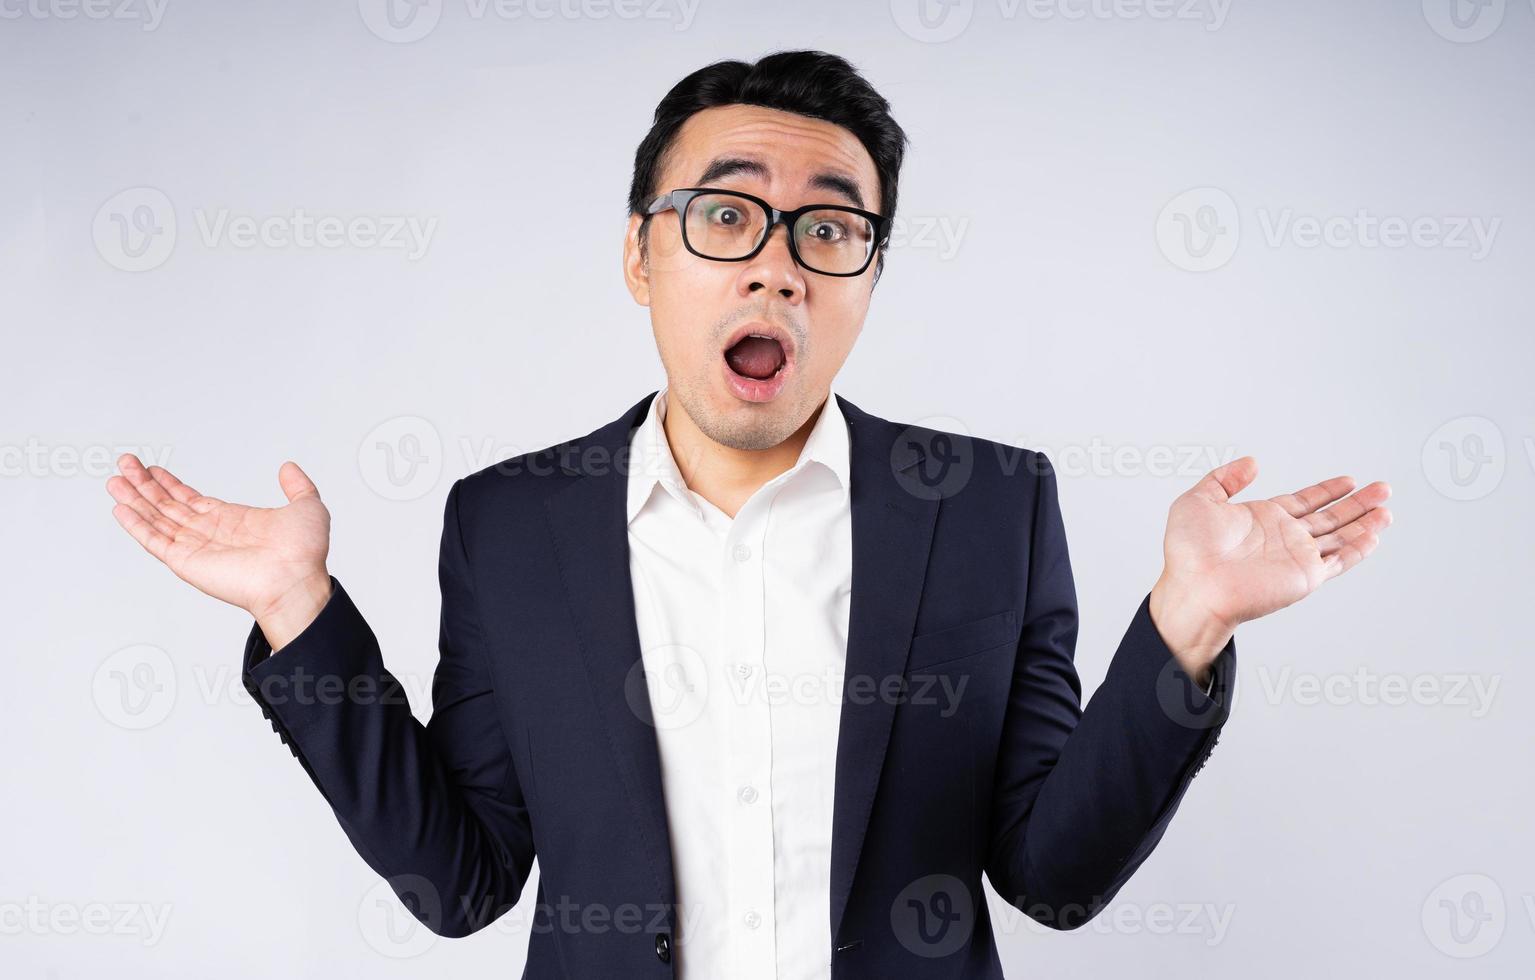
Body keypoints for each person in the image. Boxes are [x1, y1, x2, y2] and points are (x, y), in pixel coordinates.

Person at [106, 49, 1392, 980]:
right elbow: (461, 882)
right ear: (640, 255)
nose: (776, 258)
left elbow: (1050, 876)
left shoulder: (990, 506)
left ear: (867, 278)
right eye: (725, 214)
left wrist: (1186, 620)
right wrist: (298, 616)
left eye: (829, 229)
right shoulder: (508, 523)